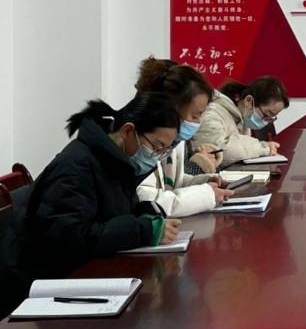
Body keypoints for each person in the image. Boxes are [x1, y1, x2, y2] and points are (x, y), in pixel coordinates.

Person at [16, 93, 184, 285]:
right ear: (127, 131)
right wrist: (144, 231)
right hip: (56, 280)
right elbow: (71, 236)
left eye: (163, 151)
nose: (155, 156)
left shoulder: (117, 162)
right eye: (156, 147)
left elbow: (113, 214)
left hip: (92, 270)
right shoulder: (76, 165)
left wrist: (146, 214)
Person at [135, 57, 234, 216]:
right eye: (195, 116)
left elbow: (173, 184)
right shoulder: (143, 139)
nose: (197, 123)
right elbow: (146, 199)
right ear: (172, 109)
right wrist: (206, 195)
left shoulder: (176, 141)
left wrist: (205, 182)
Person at [193, 76, 288, 169]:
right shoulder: (212, 114)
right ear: (248, 101)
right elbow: (218, 152)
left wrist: (264, 146)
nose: (265, 121)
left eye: (270, 118)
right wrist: (263, 149)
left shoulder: (242, 117)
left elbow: (239, 146)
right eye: (266, 114)